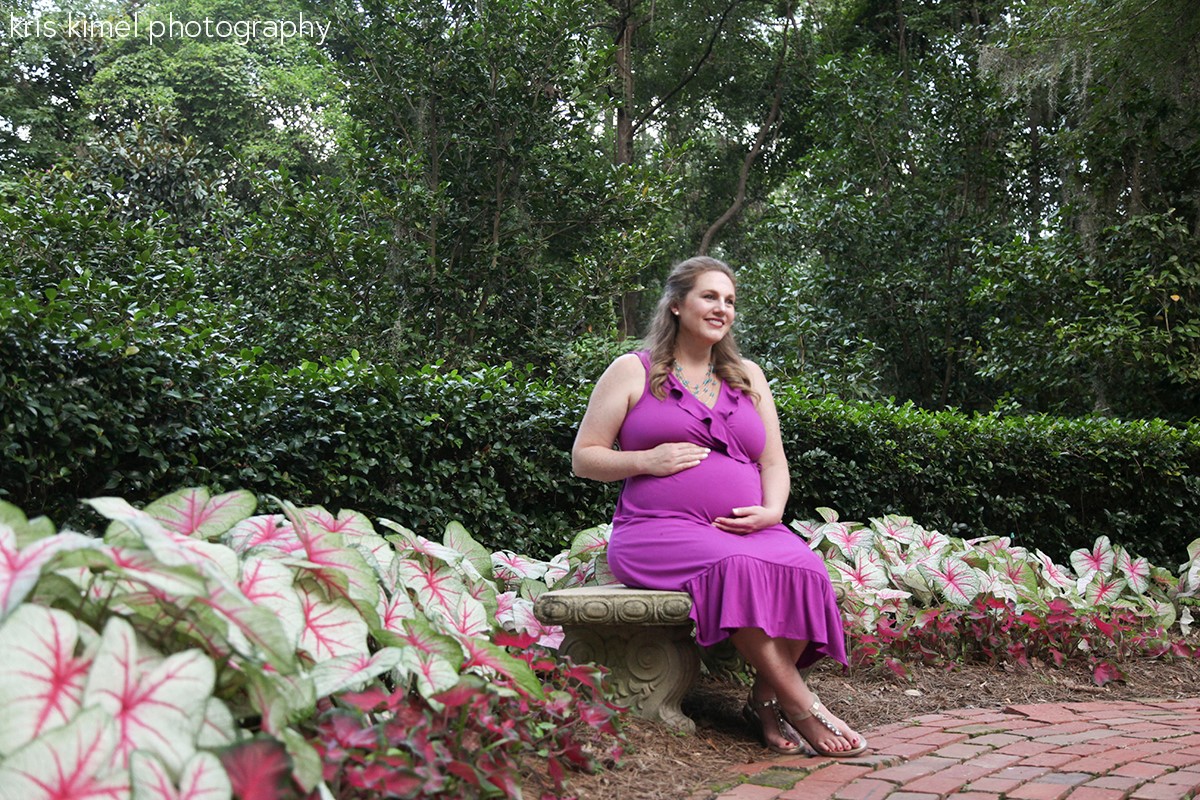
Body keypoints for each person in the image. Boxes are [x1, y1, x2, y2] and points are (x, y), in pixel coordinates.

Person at [571, 255, 867, 757]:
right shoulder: (633, 371)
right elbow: (584, 458)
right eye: (709, 296)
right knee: (738, 568)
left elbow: (773, 463)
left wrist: (773, 511)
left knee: (806, 570)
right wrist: (647, 459)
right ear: (676, 305)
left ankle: (764, 700)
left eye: (729, 301)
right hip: (657, 531)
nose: (721, 308)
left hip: (746, 527)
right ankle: (804, 708)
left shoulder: (747, 376)